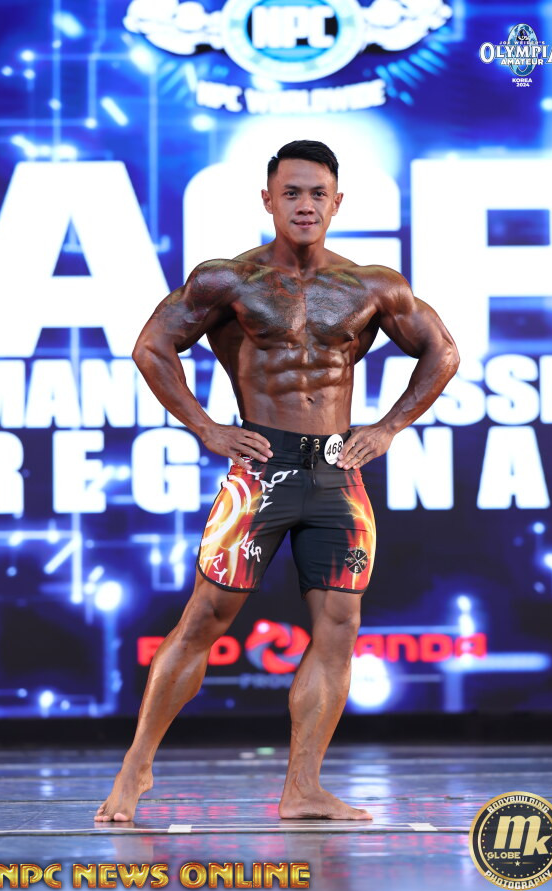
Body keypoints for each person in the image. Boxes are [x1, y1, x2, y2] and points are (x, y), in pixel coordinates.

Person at [95, 139, 459, 823]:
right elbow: (152, 346)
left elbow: (442, 351)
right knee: (204, 618)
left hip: (336, 473)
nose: (305, 205)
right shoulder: (228, 281)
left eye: (317, 193)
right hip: (260, 470)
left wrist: (388, 427)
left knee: (339, 627)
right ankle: (136, 767)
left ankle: (303, 788)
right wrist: (207, 427)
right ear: (268, 200)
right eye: (291, 193)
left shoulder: (372, 285)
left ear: (337, 202)